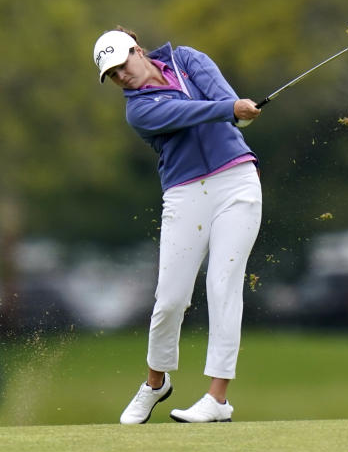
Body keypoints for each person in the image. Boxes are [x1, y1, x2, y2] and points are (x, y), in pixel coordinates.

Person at [92, 25, 263, 424]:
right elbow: (191, 113)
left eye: (121, 65)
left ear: (136, 50)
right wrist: (229, 110)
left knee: (223, 286)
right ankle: (156, 383)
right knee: (171, 299)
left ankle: (216, 400)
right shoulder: (139, 110)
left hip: (237, 181)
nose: (121, 77)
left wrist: (239, 111)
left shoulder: (187, 59)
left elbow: (223, 99)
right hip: (186, 194)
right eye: (112, 76)